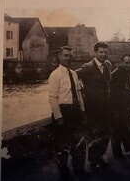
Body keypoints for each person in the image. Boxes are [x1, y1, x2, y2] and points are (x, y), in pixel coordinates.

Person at [48, 46, 87, 179]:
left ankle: (79, 168)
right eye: (65, 55)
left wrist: (82, 111)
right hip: (63, 111)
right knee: (62, 144)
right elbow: (52, 98)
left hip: (75, 111)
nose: (68, 58)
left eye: (70, 56)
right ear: (59, 56)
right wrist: (59, 117)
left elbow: (78, 93)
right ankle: (64, 172)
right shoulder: (55, 75)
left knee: (79, 142)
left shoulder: (74, 74)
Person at [76, 41, 111, 171]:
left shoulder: (108, 64)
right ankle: (93, 161)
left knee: (105, 134)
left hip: (106, 107)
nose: (103, 54)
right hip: (94, 109)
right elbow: (73, 76)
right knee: (94, 135)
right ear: (95, 52)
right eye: (101, 52)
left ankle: (100, 157)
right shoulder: (88, 67)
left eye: (106, 52)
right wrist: (82, 90)